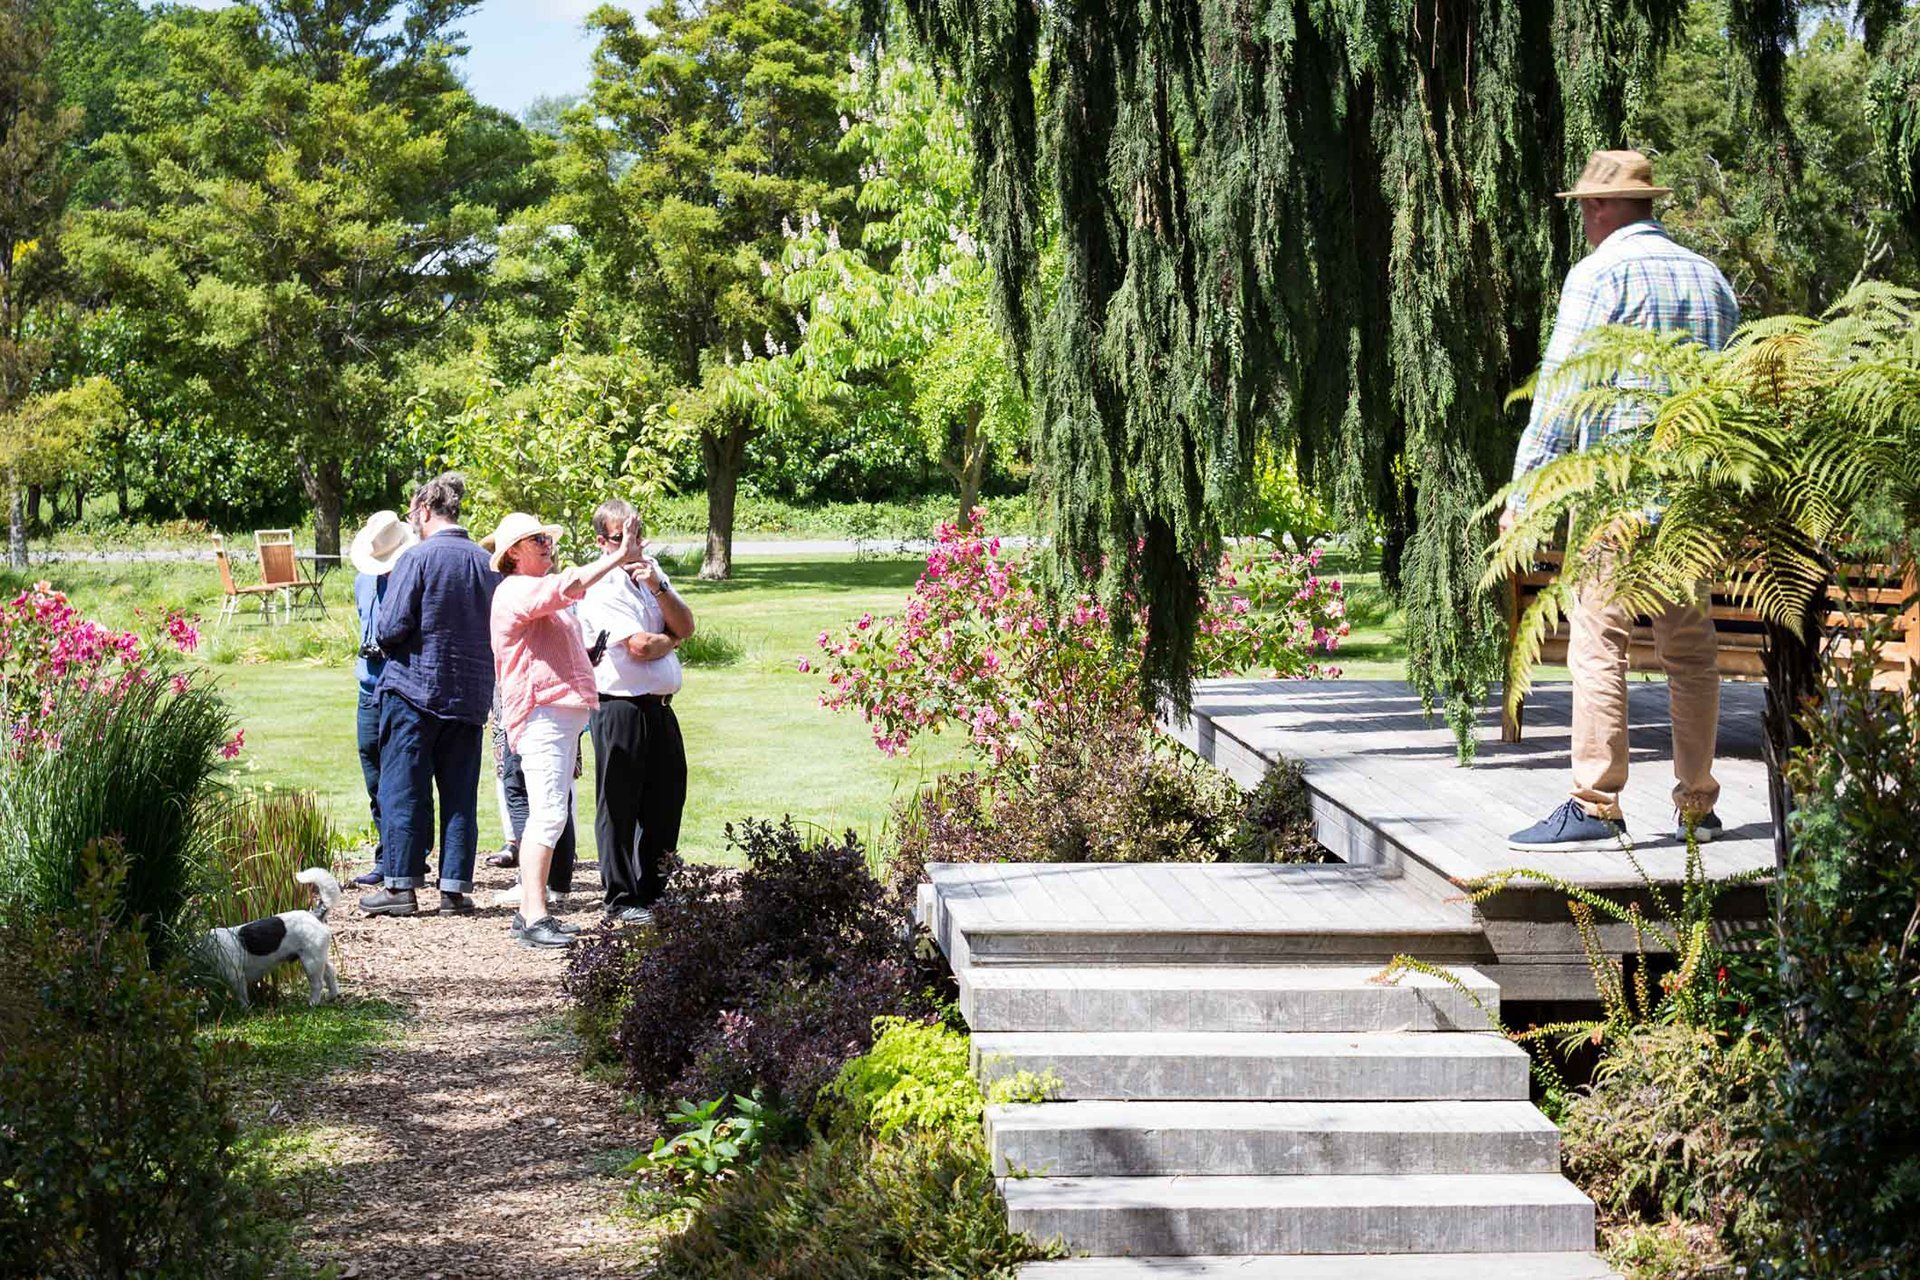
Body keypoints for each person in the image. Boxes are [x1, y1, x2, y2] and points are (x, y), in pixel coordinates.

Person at [1502, 149, 1739, 853]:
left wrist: (1527, 491)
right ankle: (1698, 805)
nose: (1583, 218)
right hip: (1690, 500)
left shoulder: (1598, 274)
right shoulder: (1709, 277)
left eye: (1584, 207)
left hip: (1616, 494)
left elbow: (1563, 389)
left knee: (1599, 644)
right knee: (1691, 652)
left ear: (1602, 207)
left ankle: (1596, 803)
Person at [485, 508, 643, 948]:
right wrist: (619, 556)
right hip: (541, 716)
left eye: (547, 539)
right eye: (537, 540)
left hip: (557, 717)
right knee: (550, 813)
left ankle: (531, 911)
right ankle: (534, 916)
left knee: (551, 812)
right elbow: (568, 585)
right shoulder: (515, 589)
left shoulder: (532, 590)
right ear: (513, 553)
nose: (547, 545)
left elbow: (551, 642)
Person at [362, 474, 499, 916]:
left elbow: (390, 627)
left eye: (412, 515)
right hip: (469, 694)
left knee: (403, 788)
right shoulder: (487, 563)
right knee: (460, 795)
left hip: (414, 690)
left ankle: (400, 888)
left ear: (424, 510)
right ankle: (454, 889)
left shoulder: (416, 559)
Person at [575, 499, 695, 924]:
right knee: (619, 805)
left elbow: (687, 624)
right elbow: (640, 646)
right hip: (619, 706)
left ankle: (655, 893)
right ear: (601, 541)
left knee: (666, 800)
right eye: (622, 537)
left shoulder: (651, 572)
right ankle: (621, 898)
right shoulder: (600, 585)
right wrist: (671, 640)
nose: (634, 544)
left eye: (638, 534)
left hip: (660, 706)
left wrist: (659, 589)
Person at [346, 510, 416, 888]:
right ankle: (386, 855)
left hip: (401, 689)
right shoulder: (363, 581)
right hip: (368, 688)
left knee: (402, 780)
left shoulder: (412, 580)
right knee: (373, 775)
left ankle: (408, 857)